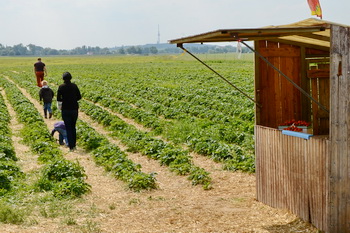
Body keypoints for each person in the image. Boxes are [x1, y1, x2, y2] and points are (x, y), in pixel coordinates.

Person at [57, 72, 81, 151]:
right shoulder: (74, 86)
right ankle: (74, 144)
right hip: (74, 108)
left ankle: (71, 146)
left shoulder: (61, 87)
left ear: (63, 78)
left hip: (65, 109)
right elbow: (79, 97)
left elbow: (58, 99)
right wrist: (73, 99)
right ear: (71, 78)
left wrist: (65, 100)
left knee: (68, 128)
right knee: (73, 127)